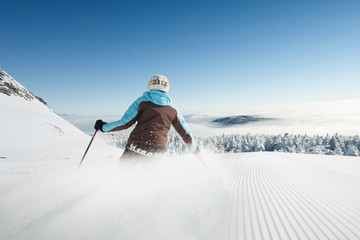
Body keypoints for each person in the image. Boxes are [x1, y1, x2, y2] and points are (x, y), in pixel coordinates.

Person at [94, 75, 198, 161]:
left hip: (136, 145)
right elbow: (184, 130)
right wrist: (193, 147)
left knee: (123, 175)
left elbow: (125, 123)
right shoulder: (173, 108)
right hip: (157, 150)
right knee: (146, 180)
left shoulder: (141, 101)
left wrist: (103, 127)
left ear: (150, 85)